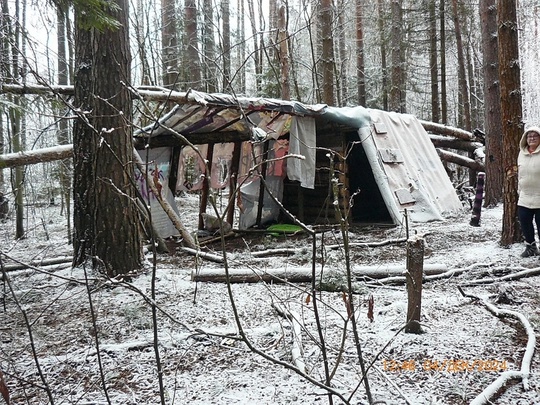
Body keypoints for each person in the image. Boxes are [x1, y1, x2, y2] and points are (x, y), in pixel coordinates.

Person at [517, 126, 540, 257]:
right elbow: (520, 174)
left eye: (535, 136)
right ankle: (531, 247)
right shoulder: (522, 153)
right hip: (525, 195)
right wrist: (519, 190)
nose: (532, 138)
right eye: (529, 136)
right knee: (525, 222)